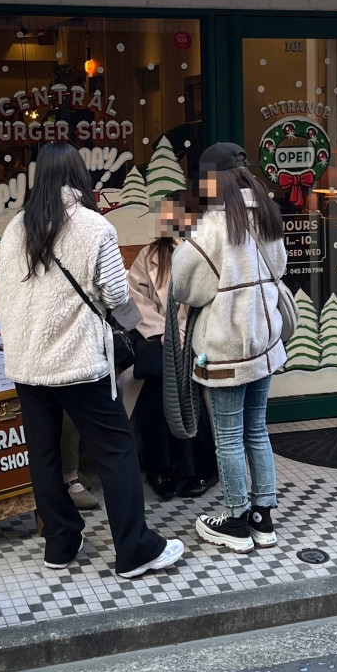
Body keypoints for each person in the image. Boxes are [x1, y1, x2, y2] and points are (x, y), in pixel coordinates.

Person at [0, 141, 183, 578]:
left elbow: (6, 289)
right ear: (79, 176)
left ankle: (60, 542)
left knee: (43, 453)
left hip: (27, 362)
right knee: (115, 449)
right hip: (76, 360)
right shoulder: (94, 226)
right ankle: (134, 549)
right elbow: (116, 294)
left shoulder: (16, 227)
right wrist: (138, 326)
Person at [170, 142, 286, 553]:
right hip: (263, 344)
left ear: (210, 181)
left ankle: (235, 521)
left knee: (229, 437)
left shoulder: (213, 226)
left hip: (225, 349)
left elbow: (184, 286)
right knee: (257, 430)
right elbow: (281, 268)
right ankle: (262, 519)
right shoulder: (268, 215)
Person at [122, 194, 215, 500]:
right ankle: (159, 468)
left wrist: (185, 333)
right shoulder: (150, 255)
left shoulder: (205, 250)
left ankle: (196, 468)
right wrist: (165, 332)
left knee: (188, 387)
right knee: (157, 386)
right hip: (158, 340)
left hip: (197, 341)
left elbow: (210, 299)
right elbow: (136, 299)